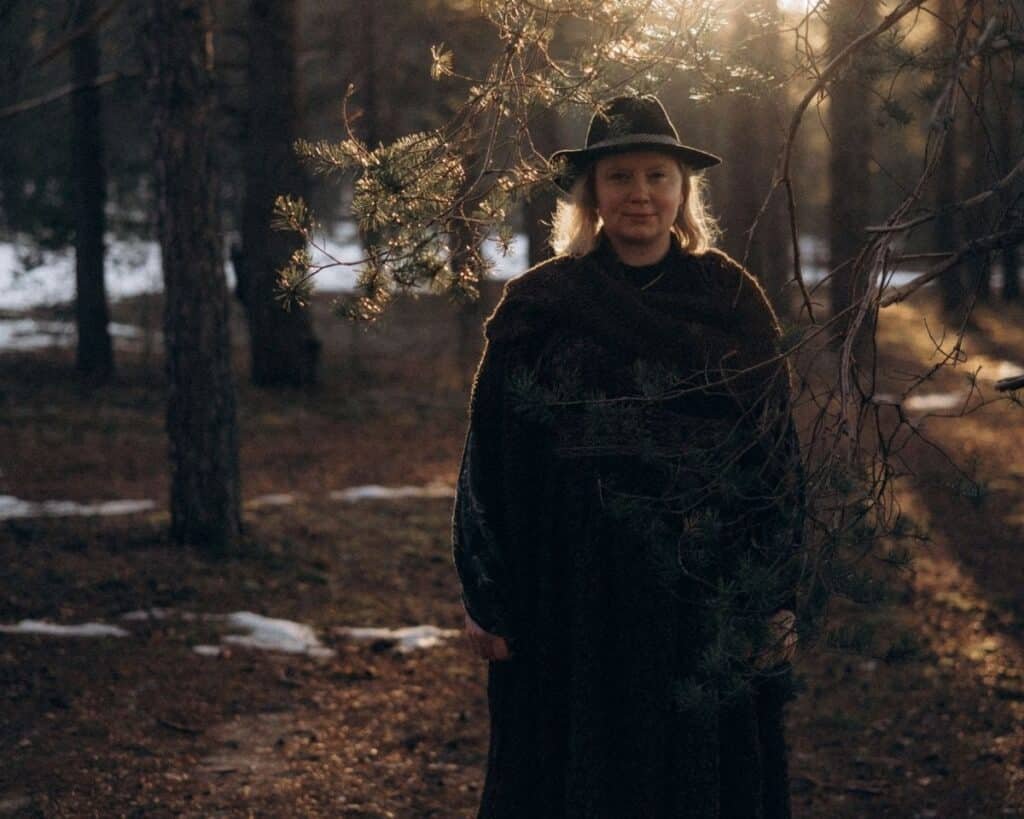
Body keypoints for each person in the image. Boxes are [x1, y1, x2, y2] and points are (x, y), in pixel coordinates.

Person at [452, 94, 804, 819]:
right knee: (568, 775)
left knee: (698, 776)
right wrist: (485, 595)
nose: (639, 194)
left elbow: (775, 457)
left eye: (657, 175)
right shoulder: (540, 305)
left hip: (699, 588)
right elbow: (488, 454)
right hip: (567, 592)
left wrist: (776, 591)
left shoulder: (731, 300)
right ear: (591, 194)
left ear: (682, 191)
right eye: (619, 177)